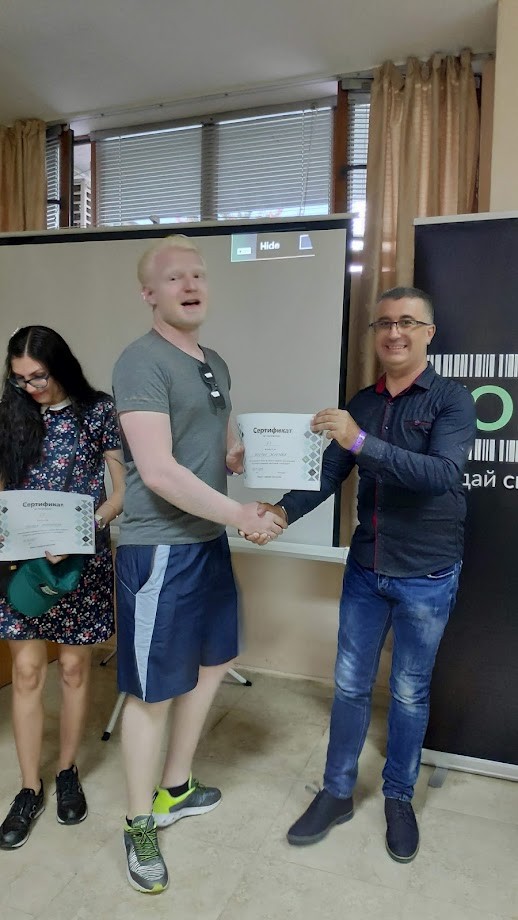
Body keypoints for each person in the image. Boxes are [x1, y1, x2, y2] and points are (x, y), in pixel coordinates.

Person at [246, 286, 476, 863]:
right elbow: (328, 475)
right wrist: (280, 512)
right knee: (349, 686)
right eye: (384, 324)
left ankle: (399, 797)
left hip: (427, 572)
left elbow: (440, 476)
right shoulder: (362, 403)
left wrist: (360, 440)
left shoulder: (452, 400)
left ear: (429, 333)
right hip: (367, 569)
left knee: (409, 691)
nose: (394, 333)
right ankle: (337, 792)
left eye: (407, 322)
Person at [112, 233, 286, 894]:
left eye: (198, 274)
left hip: (207, 543)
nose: (190, 284)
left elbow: (218, 438)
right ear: (148, 293)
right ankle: (139, 825)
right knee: (152, 692)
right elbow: (158, 472)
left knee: (213, 664)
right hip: (160, 549)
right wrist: (240, 514)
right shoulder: (140, 361)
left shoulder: (213, 360)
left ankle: (175, 788)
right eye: (173, 277)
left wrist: (238, 450)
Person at [0, 325, 124, 850]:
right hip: (23, 566)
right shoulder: (9, 414)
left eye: (39, 377)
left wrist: (82, 530)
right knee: (27, 672)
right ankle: (29, 788)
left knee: (73, 669)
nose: (31, 388)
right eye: (20, 379)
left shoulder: (98, 411)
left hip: (81, 564)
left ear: (61, 366)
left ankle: (67, 770)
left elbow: (120, 493)